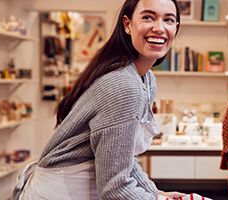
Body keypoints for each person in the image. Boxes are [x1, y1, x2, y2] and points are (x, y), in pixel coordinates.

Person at [12, 0, 185, 199]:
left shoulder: (145, 79)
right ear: (127, 24)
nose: (159, 28)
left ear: (176, 28)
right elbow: (115, 189)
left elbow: (124, 160)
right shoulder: (123, 85)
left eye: (169, 20)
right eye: (148, 17)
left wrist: (155, 193)